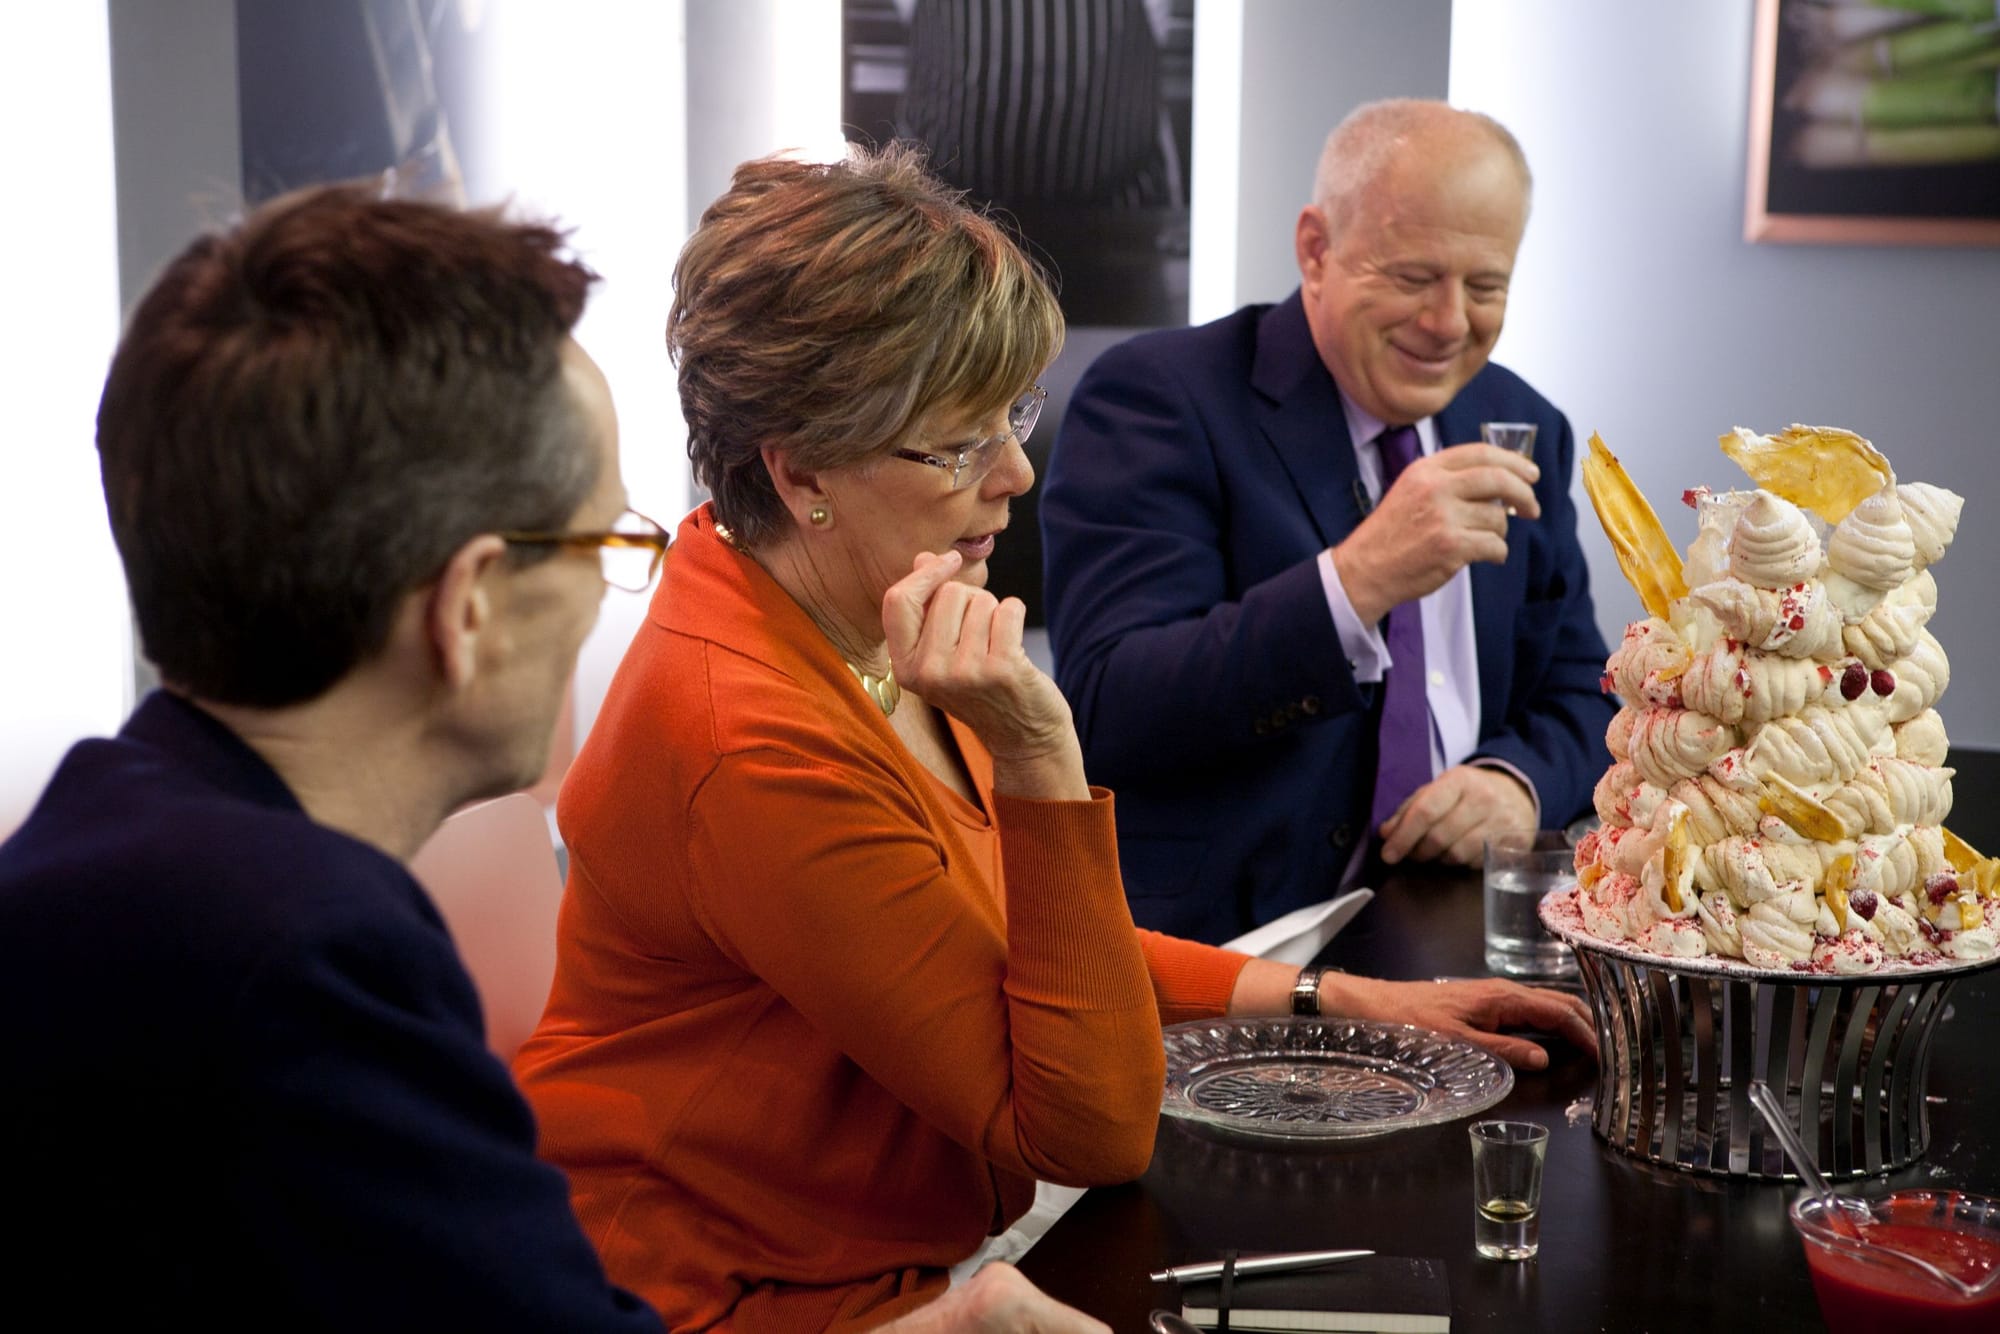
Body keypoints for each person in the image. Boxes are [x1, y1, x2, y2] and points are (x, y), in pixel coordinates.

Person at [513, 144, 1595, 1332]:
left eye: (1013, 417)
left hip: (870, 1255)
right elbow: (1089, 1127)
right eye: (959, 443)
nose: (1016, 473)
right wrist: (1041, 760)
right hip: (713, 1294)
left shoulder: (860, 614)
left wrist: (1338, 998)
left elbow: (1019, 949)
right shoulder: (751, 737)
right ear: (801, 468)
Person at [0, 182, 1099, 1333]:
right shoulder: (305, 972)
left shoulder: (126, 853)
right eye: (605, 539)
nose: (612, 592)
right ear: (470, 603)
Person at [1040, 99, 1618, 944]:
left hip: (1450, 928)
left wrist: (1516, 782)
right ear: (1316, 249)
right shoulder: (1159, 396)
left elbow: (1587, 691)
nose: (1449, 322)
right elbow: (1108, 705)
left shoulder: (1523, 422)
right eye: (1413, 278)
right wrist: (1356, 581)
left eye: (1485, 286)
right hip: (1228, 947)